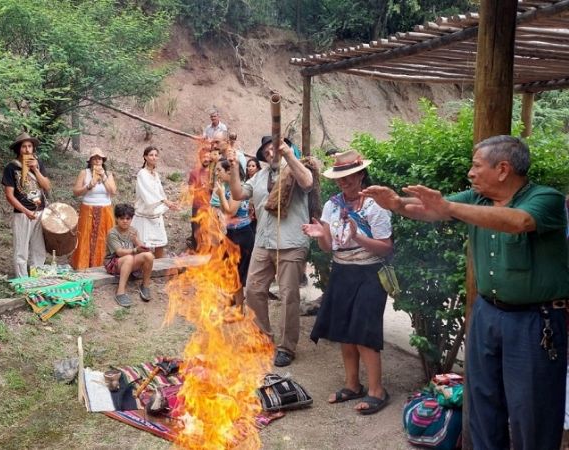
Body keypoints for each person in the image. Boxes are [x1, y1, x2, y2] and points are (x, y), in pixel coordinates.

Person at [363, 135, 569, 449]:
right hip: (487, 313)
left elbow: (519, 221)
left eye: (476, 166)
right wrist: (395, 204)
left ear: (503, 169)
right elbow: (434, 209)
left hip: (534, 322)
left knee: (532, 410)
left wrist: (448, 206)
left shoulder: (545, 198)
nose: (470, 174)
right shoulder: (476, 198)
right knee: (483, 401)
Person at [303, 150, 392, 415]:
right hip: (342, 272)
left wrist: (359, 237)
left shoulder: (375, 205)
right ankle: (353, 385)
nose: (344, 182)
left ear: (361, 174)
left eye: (349, 176)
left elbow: (386, 248)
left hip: (370, 274)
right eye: (339, 177)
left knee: (364, 334)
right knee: (344, 332)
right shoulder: (332, 205)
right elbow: (329, 246)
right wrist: (320, 234)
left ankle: (378, 391)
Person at [229, 136, 314, 367]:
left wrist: (288, 155)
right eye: (265, 150)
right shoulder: (258, 177)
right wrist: (234, 168)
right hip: (263, 243)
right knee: (253, 290)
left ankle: (287, 347)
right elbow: (237, 194)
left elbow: (307, 183)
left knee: (289, 296)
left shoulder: (297, 169)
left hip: (291, 243)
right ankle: (262, 338)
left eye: (273, 147)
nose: (269, 152)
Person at [2, 132, 51, 278]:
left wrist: (35, 169)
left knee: (39, 249)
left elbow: (47, 186)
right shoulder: (11, 168)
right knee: (21, 250)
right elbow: (9, 195)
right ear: (19, 149)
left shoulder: (38, 164)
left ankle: (38, 277)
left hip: (40, 212)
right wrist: (24, 211)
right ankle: (22, 280)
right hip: (22, 214)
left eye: (30, 146)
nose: (27, 150)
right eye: (24, 146)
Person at [212, 157, 254, 309]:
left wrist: (221, 194)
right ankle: (236, 302)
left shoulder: (239, 188)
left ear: (229, 171)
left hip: (242, 235)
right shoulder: (228, 188)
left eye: (219, 170)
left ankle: (240, 308)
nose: (217, 173)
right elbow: (224, 211)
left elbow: (230, 210)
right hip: (231, 233)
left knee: (238, 272)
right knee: (229, 270)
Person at [71, 148, 117, 270]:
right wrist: (89, 185)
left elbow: (113, 192)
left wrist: (103, 177)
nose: (97, 161)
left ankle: (103, 265)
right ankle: (83, 265)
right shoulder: (84, 173)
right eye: (94, 158)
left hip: (105, 209)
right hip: (88, 208)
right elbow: (76, 192)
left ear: (103, 160)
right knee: (85, 237)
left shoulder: (108, 174)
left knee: (105, 238)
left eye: (100, 158)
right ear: (90, 160)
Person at [131, 146, 179, 259]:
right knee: (142, 245)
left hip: (155, 214)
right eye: (151, 155)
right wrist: (165, 201)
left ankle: (159, 269)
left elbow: (160, 193)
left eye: (156, 155)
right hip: (144, 214)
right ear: (145, 157)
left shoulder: (156, 174)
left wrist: (169, 203)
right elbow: (148, 193)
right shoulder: (142, 173)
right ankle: (140, 268)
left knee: (160, 243)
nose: (154, 157)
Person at [104, 203, 154, 307]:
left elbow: (142, 248)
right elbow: (119, 252)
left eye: (128, 218)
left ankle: (145, 286)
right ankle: (120, 292)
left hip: (129, 261)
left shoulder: (133, 231)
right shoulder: (112, 233)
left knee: (149, 256)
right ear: (117, 219)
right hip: (114, 263)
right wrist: (135, 250)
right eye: (122, 218)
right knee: (128, 258)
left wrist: (136, 240)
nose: (125, 221)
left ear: (131, 219)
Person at [186, 145, 213, 251]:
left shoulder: (215, 172)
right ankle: (196, 251)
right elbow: (190, 190)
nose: (206, 159)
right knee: (196, 230)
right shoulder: (194, 173)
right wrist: (200, 189)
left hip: (211, 207)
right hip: (197, 206)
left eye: (207, 157)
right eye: (203, 157)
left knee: (209, 232)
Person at [245, 156, 260, 234]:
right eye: (249, 166)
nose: (250, 168)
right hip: (246, 211)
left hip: (256, 209)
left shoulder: (259, 181)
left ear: (257, 168)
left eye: (253, 166)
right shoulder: (246, 181)